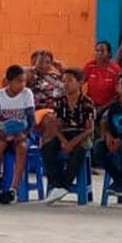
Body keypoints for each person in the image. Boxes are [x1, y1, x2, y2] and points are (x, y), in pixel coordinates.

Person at [42, 69, 95, 205]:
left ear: (80, 83)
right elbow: (56, 126)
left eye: (70, 81)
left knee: (80, 150)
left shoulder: (87, 102)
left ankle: (64, 184)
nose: (66, 84)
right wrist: (63, 140)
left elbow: (89, 129)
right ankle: (56, 184)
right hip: (64, 134)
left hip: (81, 135)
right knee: (47, 147)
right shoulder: (60, 102)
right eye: (64, 81)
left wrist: (72, 143)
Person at [0, 65, 36, 205]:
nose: (22, 84)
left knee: (21, 148)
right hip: (4, 133)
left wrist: (24, 134)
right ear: (8, 82)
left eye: (24, 81)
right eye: (19, 81)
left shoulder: (27, 94)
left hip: (22, 133)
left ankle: (13, 189)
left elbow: (31, 119)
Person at [82, 41, 122, 110]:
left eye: (102, 51)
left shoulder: (116, 70)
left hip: (109, 106)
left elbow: (119, 94)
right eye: (97, 50)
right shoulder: (90, 66)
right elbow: (79, 82)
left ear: (109, 54)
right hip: (90, 105)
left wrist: (104, 108)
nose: (99, 53)